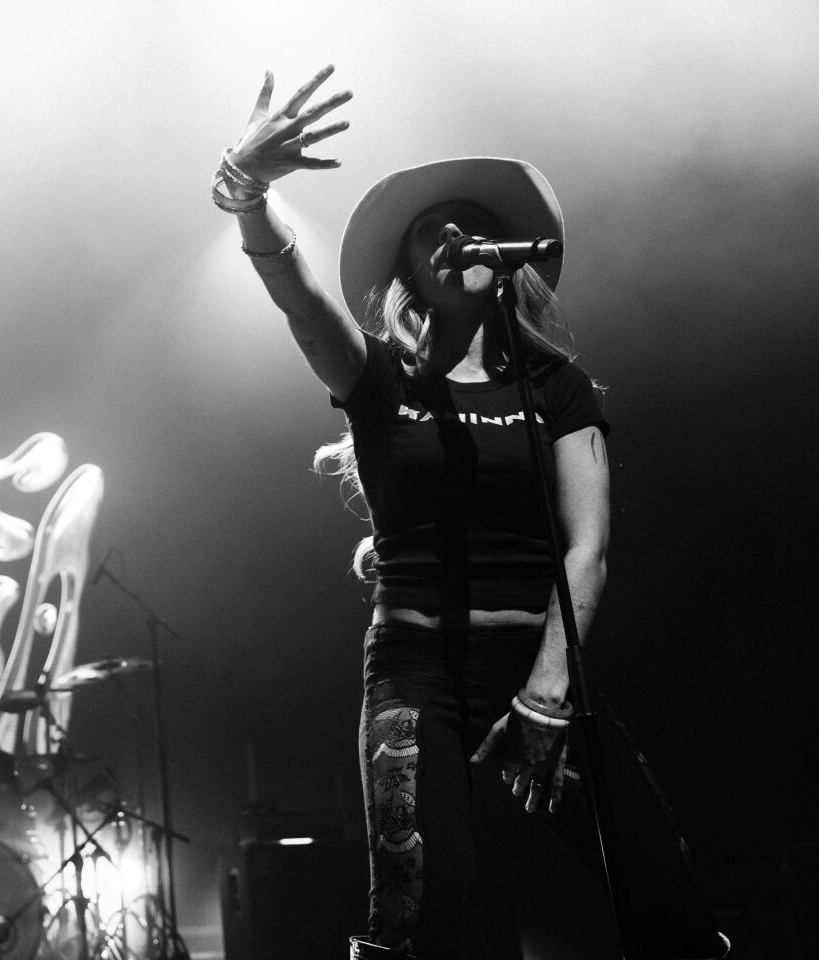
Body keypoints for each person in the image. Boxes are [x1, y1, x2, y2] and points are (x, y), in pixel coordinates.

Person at [213, 66, 727, 960]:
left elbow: (588, 549)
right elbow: (296, 294)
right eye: (431, 230)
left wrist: (549, 693)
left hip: (541, 663)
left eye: (471, 224)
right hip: (417, 679)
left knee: (669, 906)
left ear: (507, 258)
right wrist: (248, 192)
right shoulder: (380, 379)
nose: (454, 236)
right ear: (410, 273)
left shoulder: (559, 388)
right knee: (421, 921)